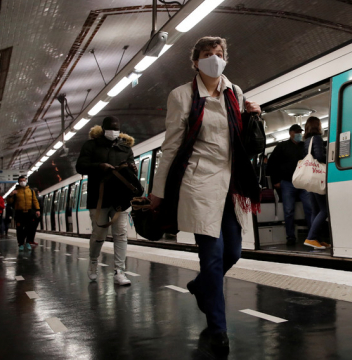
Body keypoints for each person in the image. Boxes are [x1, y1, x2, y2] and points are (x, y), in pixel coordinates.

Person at [149, 36, 261, 352]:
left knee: (234, 252)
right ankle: (217, 327)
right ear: (195, 61)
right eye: (207, 54)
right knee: (212, 257)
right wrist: (158, 193)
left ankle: (200, 287)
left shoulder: (234, 92)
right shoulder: (182, 95)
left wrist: (254, 115)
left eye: (219, 53)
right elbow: (171, 145)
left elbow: (245, 141)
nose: (214, 58)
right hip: (199, 183)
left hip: (231, 182)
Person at [76, 116, 136, 286]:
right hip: (99, 198)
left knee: (121, 235)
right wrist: (99, 166)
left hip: (120, 198)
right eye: (111, 128)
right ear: (103, 129)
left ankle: (119, 271)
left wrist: (132, 169)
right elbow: (80, 166)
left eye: (116, 128)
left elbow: (131, 172)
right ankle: (93, 261)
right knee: (99, 234)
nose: (114, 131)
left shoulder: (125, 148)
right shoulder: (90, 146)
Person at [266, 124, 314, 245]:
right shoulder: (282, 146)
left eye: (300, 132)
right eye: (296, 132)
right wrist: (275, 180)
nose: (299, 134)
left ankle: (312, 236)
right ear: (290, 133)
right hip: (288, 183)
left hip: (304, 183)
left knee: (310, 208)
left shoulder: (305, 147)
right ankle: (290, 237)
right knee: (288, 211)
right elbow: (271, 164)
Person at [302, 117, 331, 250]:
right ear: (317, 126)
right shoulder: (317, 139)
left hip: (310, 178)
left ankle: (316, 240)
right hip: (317, 177)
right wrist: (330, 156)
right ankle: (312, 237)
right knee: (324, 210)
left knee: (316, 210)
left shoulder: (306, 141)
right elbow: (319, 156)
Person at [9, 175, 40, 250]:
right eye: (21, 181)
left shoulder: (31, 191)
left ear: (26, 181)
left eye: (24, 180)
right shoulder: (15, 191)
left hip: (29, 212)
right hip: (19, 213)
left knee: (29, 228)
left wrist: (37, 209)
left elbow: (35, 201)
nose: (22, 182)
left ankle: (28, 242)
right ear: (18, 182)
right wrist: (11, 195)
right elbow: (10, 202)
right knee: (20, 229)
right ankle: (21, 243)